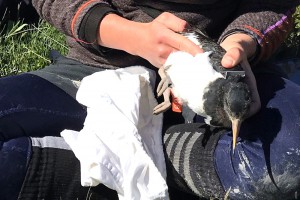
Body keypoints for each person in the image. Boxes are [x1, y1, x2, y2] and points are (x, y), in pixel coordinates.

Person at [0, 0, 299, 199]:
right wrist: (128, 35)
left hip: (217, 75)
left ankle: (132, 156)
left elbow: (275, 3)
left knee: (291, 155)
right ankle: (175, 162)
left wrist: (239, 42)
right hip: (96, 69)